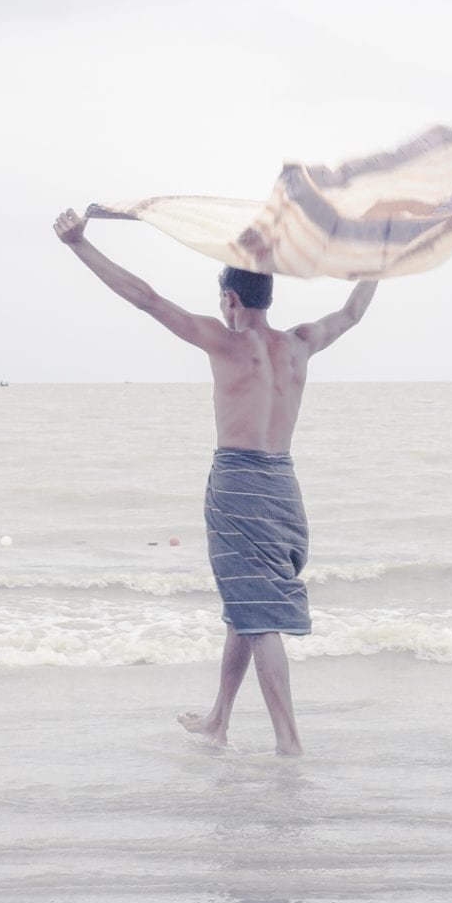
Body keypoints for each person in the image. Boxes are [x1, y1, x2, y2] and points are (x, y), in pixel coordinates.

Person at [53, 208, 376, 755]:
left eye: (220, 299)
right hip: (284, 487)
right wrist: (379, 259)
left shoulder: (225, 342)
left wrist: (79, 244)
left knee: (261, 613)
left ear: (230, 299)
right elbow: (352, 312)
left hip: (239, 484)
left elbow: (145, 297)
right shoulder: (300, 342)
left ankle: (288, 741)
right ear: (267, 296)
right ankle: (219, 721)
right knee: (246, 607)